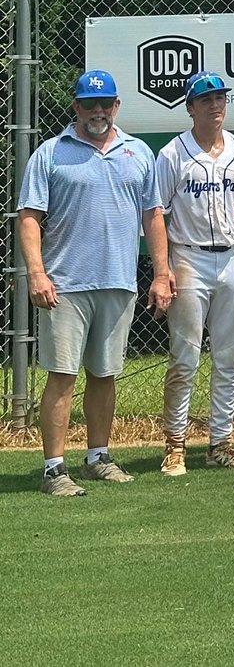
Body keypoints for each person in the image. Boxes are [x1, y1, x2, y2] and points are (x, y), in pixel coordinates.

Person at [17, 68, 173, 496]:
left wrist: (162, 273)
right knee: (62, 375)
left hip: (118, 282)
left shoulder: (138, 152)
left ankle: (97, 458)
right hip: (64, 285)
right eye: (89, 104)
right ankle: (54, 470)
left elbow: (153, 215)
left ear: (117, 106)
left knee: (105, 375)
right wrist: (36, 273)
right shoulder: (51, 153)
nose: (98, 111)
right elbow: (29, 218)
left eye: (105, 104)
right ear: (77, 107)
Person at [157, 71, 234, 476]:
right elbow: (156, 215)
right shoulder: (173, 153)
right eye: (206, 99)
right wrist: (163, 269)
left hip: (232, 259)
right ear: (190, 107)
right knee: (184, 357)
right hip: (189, 258)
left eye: (220, 98)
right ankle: (175, 445)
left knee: (229, 357)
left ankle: (220, 443)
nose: (215, 105)